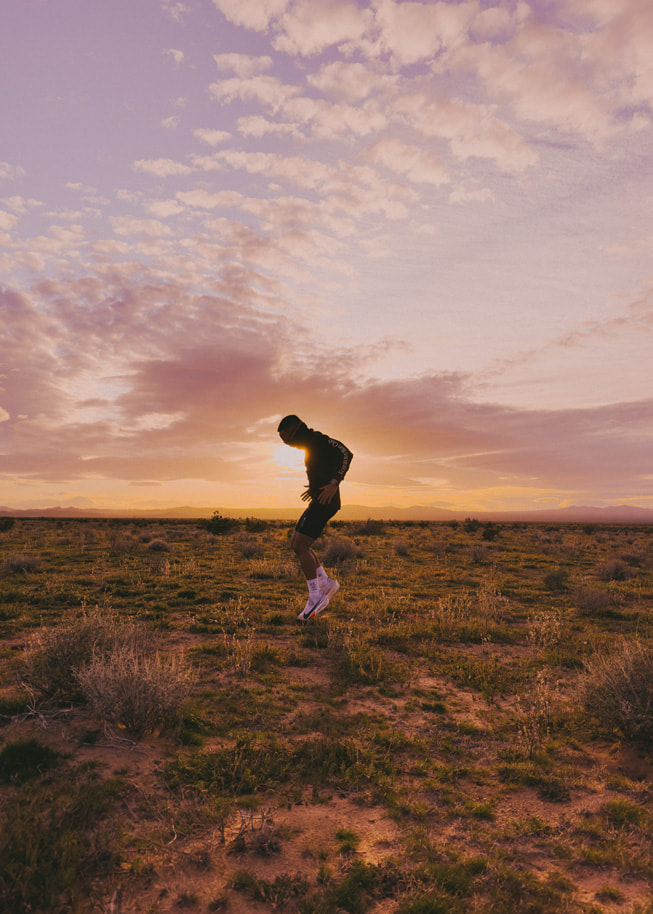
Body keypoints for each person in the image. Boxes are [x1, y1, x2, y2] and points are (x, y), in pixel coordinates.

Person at [277, 415, 353, 621]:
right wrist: (313, 488)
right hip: (318, 499)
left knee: (300, 547)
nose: (288, 444)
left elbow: (346, 453)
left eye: (287, 439)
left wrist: (335, 482)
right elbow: (322, 468)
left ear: (295, 431)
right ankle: (325, 582)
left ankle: (316, 596)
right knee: (296, 544)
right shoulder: (309, 445)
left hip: (326, 501)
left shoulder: (317, 440)